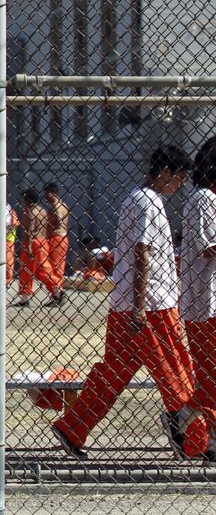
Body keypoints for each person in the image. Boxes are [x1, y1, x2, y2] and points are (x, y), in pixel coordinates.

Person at [53, 145, 203, 460]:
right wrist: (139, 305)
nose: (180, 185)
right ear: (166, 173)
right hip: (151, 305)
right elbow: (142, 253)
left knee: (114, 372)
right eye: (180, 177)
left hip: (128, 303)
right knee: (174, 369)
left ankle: (73, 427)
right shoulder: (148, 202)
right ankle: (190, 439)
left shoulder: (136, 198)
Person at [181, 140, 216, 462]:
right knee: (210, 374)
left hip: (205, 301)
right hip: (205, 303)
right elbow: (209, 247)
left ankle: (186, 420)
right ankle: (199, 433)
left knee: (209, 376)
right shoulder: (203, 199)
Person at [17, 188, 49, 307]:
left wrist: (29, 246)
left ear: (28, 200)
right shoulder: (43, 211)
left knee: (26, 270)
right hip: (43, 240)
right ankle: (56, 290)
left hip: (32, 242)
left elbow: (29, 230)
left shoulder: (30, 211)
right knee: (44, 268)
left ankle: (25, 298)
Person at [42, 182, 70, 306]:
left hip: (57, 238)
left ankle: (58, 293)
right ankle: (56, 294)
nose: (45, 196)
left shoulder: (56, 206)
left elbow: (58, 221)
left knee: (54, 267)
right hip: (60, 238)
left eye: (47, 193)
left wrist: (49, 226)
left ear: (52, 193)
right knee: (56, 268)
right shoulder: (62, 204)